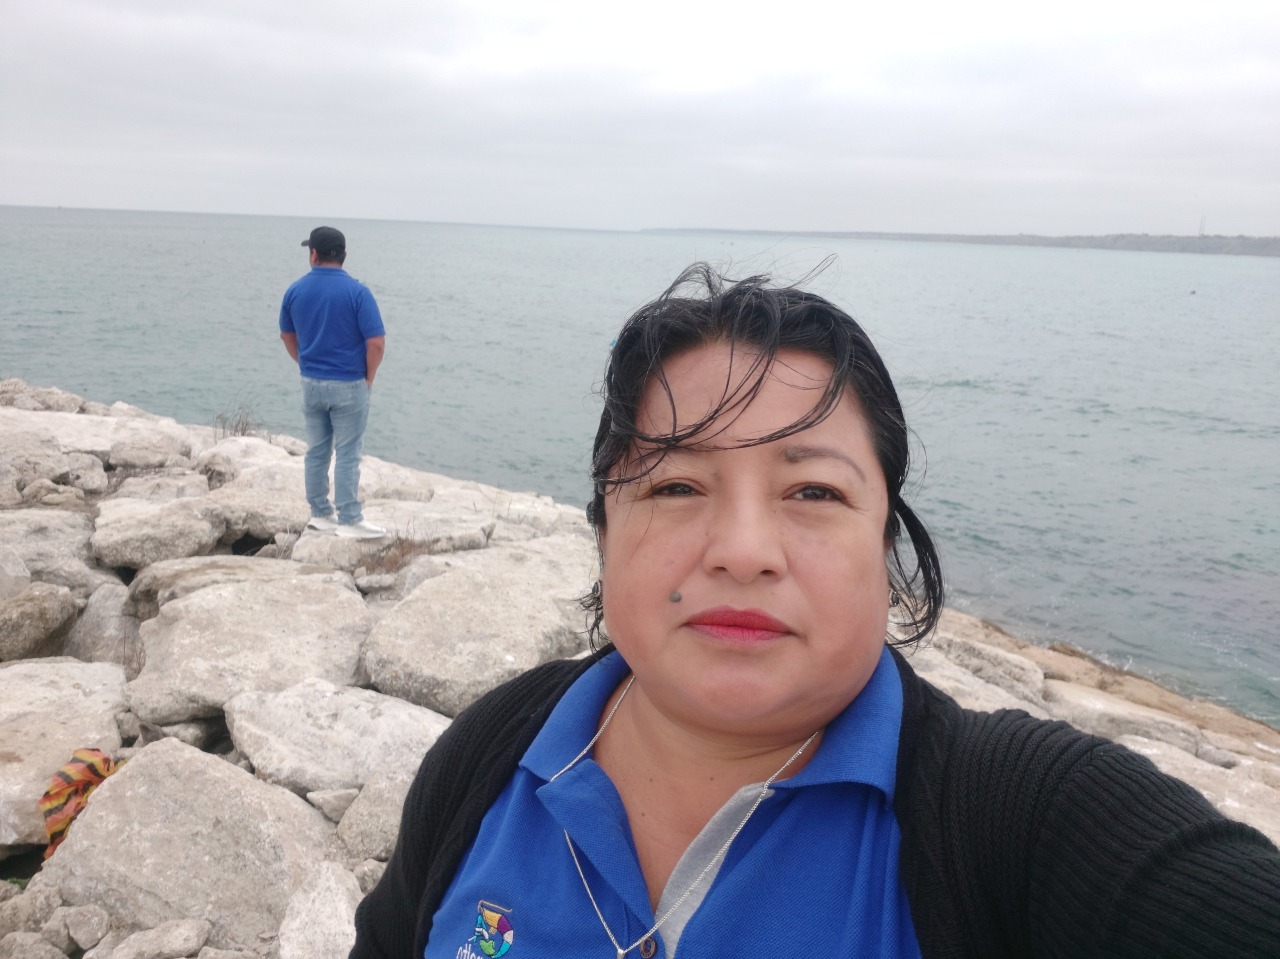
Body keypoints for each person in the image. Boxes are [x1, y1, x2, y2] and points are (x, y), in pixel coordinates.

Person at [350, 264, 1280, 958]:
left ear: (886, 548)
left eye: (814, 492)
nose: (743, 549)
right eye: (676, 485)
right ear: (603, 533)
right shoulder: (494, 753)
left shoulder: (1029, 822)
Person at [280, 226, 387, 539]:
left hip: (311, 383)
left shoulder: (295, 290)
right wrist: (368, 378)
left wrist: (305, 363)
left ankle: (320, 514)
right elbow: (376, 343)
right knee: (348, 453)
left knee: (316, 451)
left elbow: (287, 335)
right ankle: (350, 519)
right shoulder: (358, 293)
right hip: (348, 384)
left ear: (314, 254)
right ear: (343, 255)